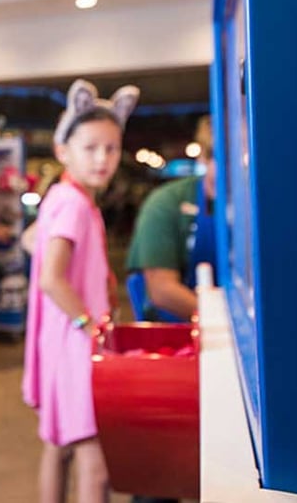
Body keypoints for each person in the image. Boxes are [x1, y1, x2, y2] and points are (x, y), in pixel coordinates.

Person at [23, 79, 139, 503]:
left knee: (58, 447)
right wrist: (90, 325)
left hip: (58, 342)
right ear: (63, 151)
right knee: (95, 460)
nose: (103, 158)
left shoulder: (61, 197)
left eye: (111, 148)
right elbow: (53, 277)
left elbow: (30, 241)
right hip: (77, 347)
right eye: (90, 148)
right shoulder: (74, 204)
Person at [126, 115, 216, 322]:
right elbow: (161, 289)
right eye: (221, 156)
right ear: (202, 156)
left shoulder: (254, 206)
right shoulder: (166, 203)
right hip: (179, 332)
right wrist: (219, 320)